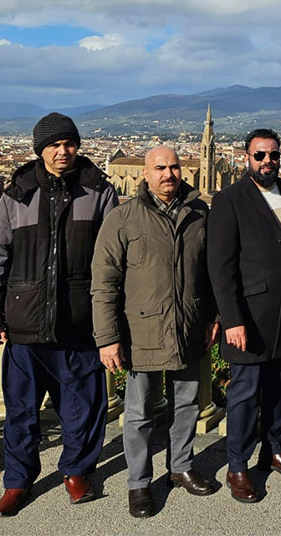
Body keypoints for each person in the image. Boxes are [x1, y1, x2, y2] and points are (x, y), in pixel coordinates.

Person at [0, 112, 118, 516]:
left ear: (77, 146)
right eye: (54, 145)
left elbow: (111, 262)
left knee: (83, 407)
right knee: (21, 411)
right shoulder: (16, 194)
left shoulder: (98, 192)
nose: (62, 151)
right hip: (25, 321)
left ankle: (77, 472)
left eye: (69, 143)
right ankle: (17, 482)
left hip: (79, 320)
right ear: (40, 149)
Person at [91, 146, 219, 518]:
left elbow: (210, 274)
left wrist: (213, 317)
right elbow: (105, 284)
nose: (168, 174)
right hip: (140, 330)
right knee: (138, 413)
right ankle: (139, 483)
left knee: (187, 405)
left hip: (190, 326)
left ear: (184, 170)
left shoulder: (199, 213)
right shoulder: (122, 218)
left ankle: (180, 467)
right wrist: (108, 338)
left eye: (174, 166)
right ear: (145, 174)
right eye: (160, 168)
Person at [207, 129, 281, 504]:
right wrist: (231, 318)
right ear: (246, 157)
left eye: (273, 155)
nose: (268, 161)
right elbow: (220, 266)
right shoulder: (229, 199)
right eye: (260, 155)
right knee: (245, 395)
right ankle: (237, 466)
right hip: (247, 317)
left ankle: (273, 450)